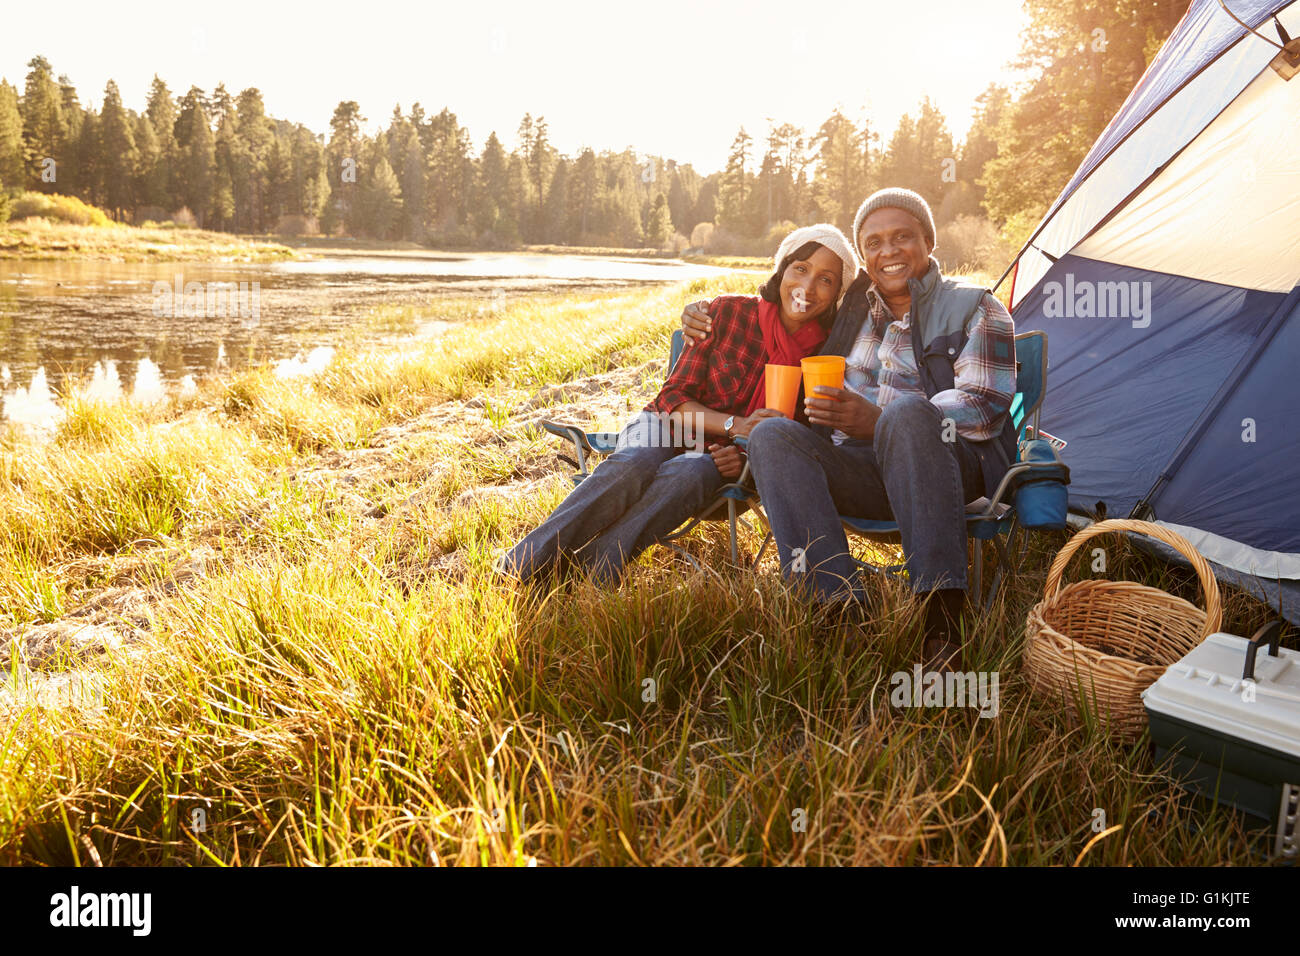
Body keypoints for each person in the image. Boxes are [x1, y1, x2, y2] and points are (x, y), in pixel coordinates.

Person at [680, 189, 1017, 671]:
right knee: (772, 434)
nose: (889, 251)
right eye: (874, 242)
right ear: (863, 257)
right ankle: (835, 609)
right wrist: (701, 312)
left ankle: (941, 622)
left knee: (908, 414)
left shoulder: (975, 306)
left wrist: (879, 422)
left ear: (927, 241)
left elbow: (984, 407)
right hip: (859, 473)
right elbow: (787, 299)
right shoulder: (852, 314)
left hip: (945, 470)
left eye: (902, 237)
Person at [497, 224, 860, 587]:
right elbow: (672, 398)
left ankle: (589, 571)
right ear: (782, 269)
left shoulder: (825, 357)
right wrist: (735, 425)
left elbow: (797, 440)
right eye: (801, 268)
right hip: (666, 424)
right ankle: (521, 565)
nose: (808, 287)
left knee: (692, 472)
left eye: (826, 279)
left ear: (837, 293)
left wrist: (745, 459)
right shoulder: (725, 312)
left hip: (722, 461)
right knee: (635, 462)